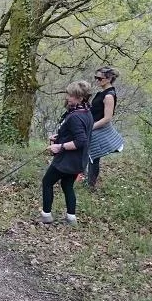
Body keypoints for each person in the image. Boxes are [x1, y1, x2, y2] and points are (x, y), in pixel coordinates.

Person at [41, 81, 94, 226]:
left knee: (47, 182)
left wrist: (60, 146)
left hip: (67, 160)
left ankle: (46, 215)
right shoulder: (87, 112)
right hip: (78, 161)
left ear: (80, 98)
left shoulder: (75, 116)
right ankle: (71, 218)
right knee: (67, 185)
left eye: (71, 95)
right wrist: (59, 137)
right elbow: (78, 133)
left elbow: (81, 141)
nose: (67, 97)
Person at [87, 67, 123, 190]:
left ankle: (91, 185)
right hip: (94, 127)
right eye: (95, 78)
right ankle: (88, 181)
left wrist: (90, 128)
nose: (97, 80)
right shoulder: (103, 93)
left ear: (109, 79)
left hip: (98, 130)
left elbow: (107, 118)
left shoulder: (109, 96)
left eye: (99, 78)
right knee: (90, 156)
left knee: (94, 157)